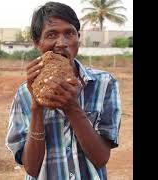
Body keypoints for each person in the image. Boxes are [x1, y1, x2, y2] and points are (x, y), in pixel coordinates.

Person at [6, 2, 121, 179]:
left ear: (78, 37)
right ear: (38, 43)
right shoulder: (24, 93)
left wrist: (71, 107)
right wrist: (37, 106)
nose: (62, 43)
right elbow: (31, 168)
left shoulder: (104, 84)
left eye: (69, 33)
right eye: (51, 34)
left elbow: (101, 158)